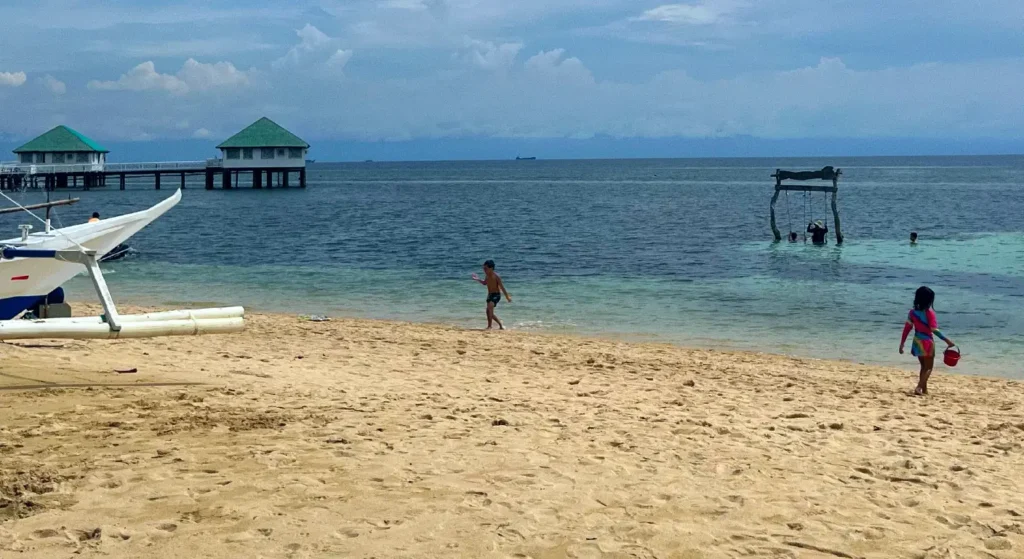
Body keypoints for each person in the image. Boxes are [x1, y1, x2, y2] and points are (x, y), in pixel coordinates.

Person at [899, 286, 955, 396]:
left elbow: (907, 328)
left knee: (923, 367)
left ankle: (924, 390)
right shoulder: (929, 313)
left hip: (917, 342)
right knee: (929, 368)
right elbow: (934, 330)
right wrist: (947, 341)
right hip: (927, 343)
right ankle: (919, 387)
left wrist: (902, 343)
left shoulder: (912, 313)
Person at [471, 260, 511, 330]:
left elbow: (502, 287)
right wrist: (477, 279)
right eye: (483, 268)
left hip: (496, 295)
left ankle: (492, 326)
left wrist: (507, 297)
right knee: (488, 312)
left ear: (491, 268)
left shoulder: (496, 276)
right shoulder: (487, 276)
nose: (484, 270)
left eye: (486, 268)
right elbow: (484, 283)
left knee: (490, 308)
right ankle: (496, 325)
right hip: (490, 295)